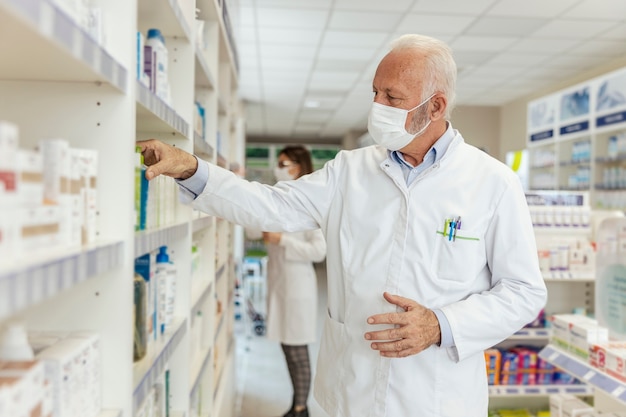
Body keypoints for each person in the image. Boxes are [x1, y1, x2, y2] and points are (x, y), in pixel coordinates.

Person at [137, 33, 547, 417]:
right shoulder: (350, 170)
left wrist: (441, 325)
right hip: (352, 388)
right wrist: (191, 169)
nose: (377, 105)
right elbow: (272, 205)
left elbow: (523, 291)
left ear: (435, 107)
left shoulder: (492, 182)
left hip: (435, 394)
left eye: (392, 96)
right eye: (375, 92)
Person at [250, 145, 326, 417]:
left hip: (298, 285)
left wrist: (283, 240)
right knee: (287, 346)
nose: (278, 167)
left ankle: (300, 408)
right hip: (280, 282)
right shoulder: (279, 197)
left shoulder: (313, 202)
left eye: (284, 163)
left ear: (298, 166)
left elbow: (319, 251)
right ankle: (296, 405)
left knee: (297, 348)